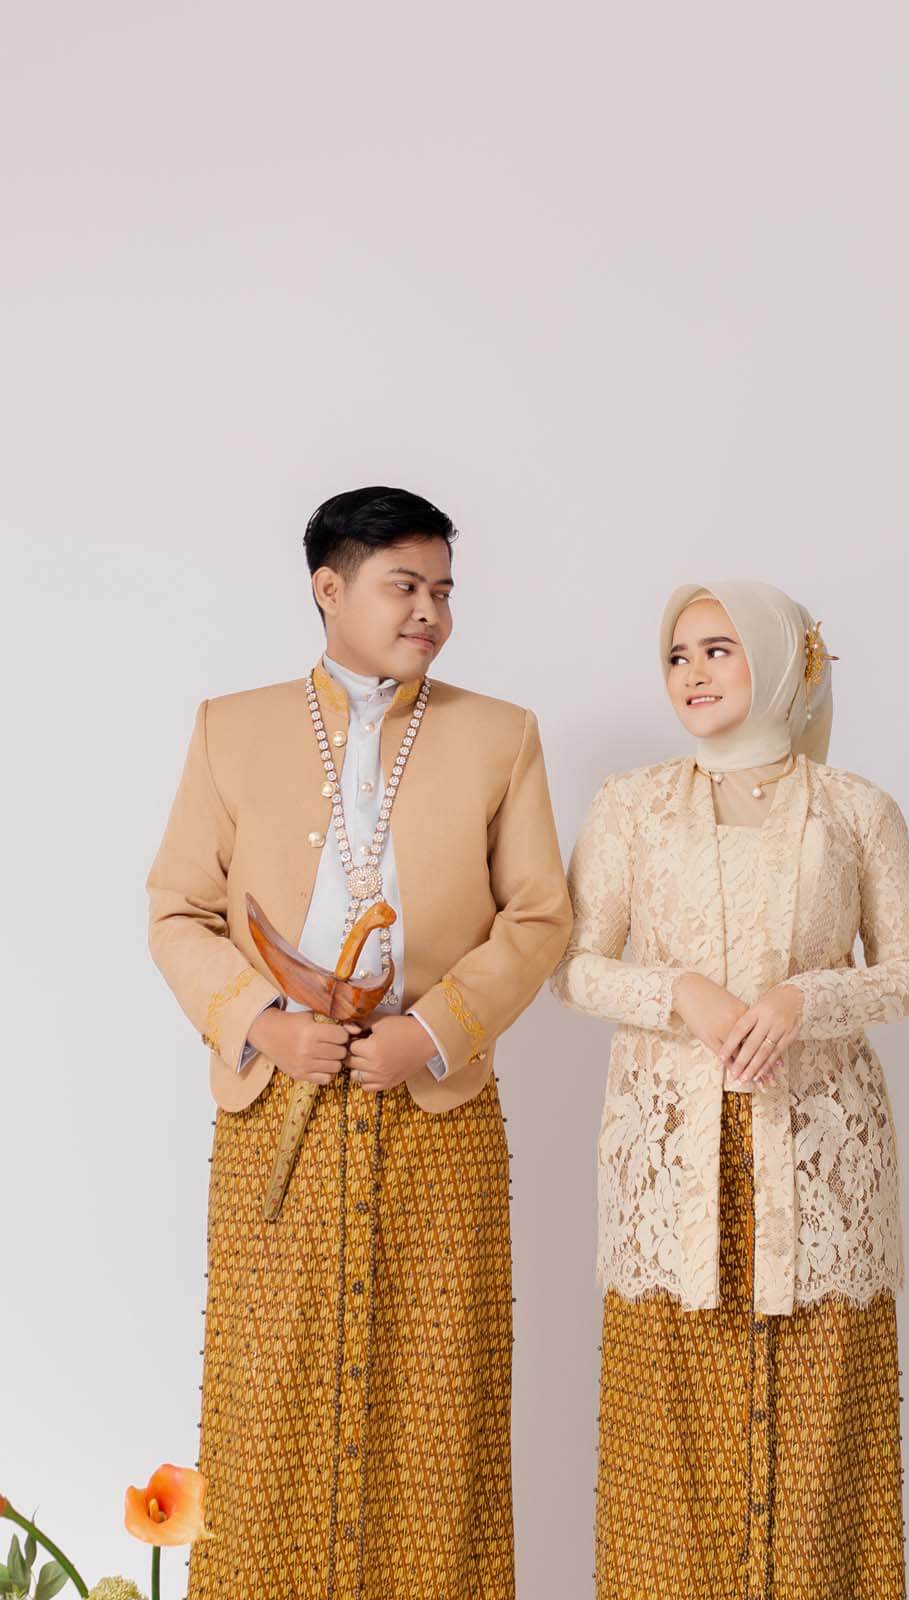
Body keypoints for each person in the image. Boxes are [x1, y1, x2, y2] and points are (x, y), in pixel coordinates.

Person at [146, 486, 572, 1600]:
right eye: (404, 586)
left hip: (438, 1111)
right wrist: (263, 1024)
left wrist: (430, 1032)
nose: (430, 611)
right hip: (274, 1111)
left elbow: (539, 918)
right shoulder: (230, 727)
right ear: (328, 589)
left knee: (439, 1394)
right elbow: (176, 911)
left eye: (444, 590)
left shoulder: (501, 734)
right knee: (267, 1395)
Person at [551, 580, 909, 1600]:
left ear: (781, 661)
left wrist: (804, 998)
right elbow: (572, 969)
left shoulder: (855, 809)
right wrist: (680, 991)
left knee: (820, 1434)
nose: (691, 673)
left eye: (717, 650)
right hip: (670, 1168)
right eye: (676, 655)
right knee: (667, 1441)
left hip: (818, 1171)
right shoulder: (630, 804)